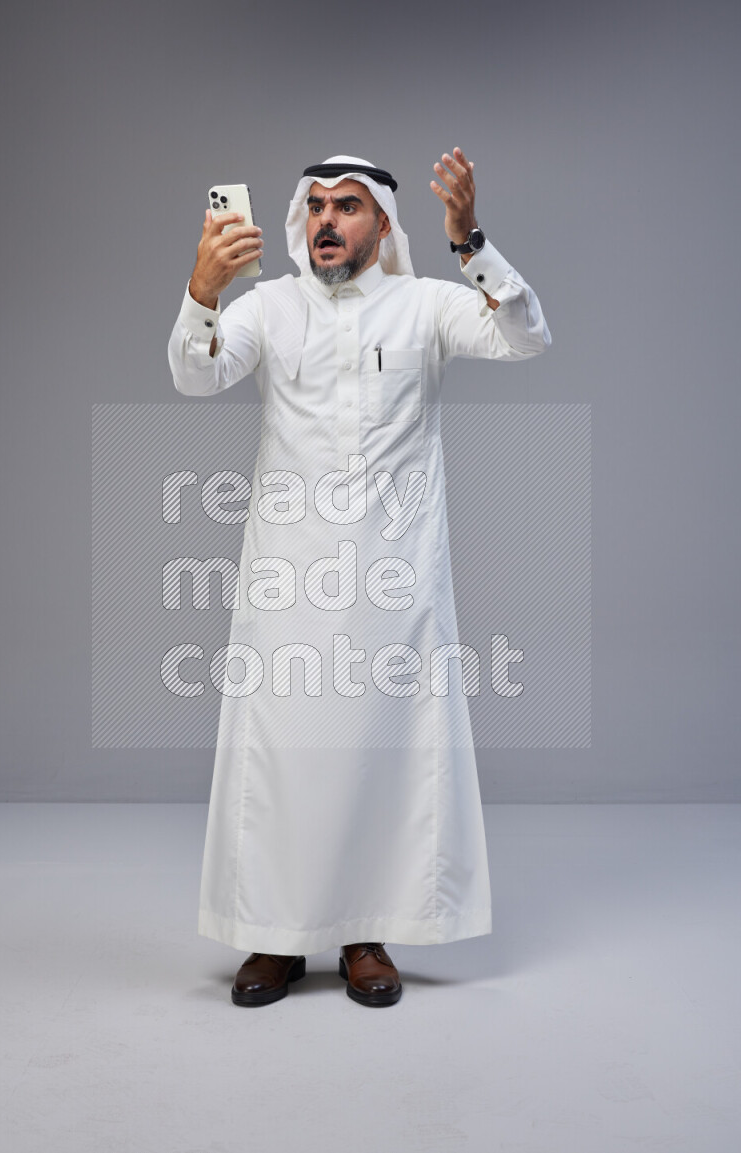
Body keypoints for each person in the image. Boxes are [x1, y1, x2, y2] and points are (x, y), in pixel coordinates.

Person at [167, 148, 551, 1008]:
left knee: (380, 755)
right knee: (283, 758)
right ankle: (273, 936)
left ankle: (364, 934)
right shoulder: (269, 306)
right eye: (316, 207)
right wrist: (202, 290)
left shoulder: (425, 306)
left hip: (393, 583)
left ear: (382, 222)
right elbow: (195, 376)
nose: (327, 221)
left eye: (348, 206)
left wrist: (470, 243)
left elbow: (526, 335)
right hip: (287, 584)